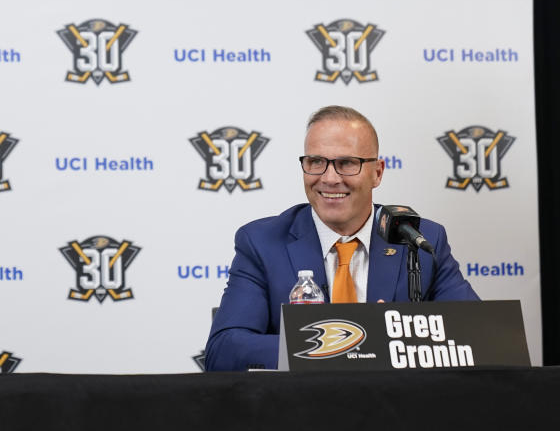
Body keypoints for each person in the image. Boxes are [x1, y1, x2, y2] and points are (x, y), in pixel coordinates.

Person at [205, 105, 478, 371]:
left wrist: (397, 340)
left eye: (347, 163)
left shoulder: (419, 240)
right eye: (316, 162)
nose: (330, 178)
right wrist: (341, 344)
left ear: (378, 172)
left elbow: (476, 336)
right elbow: (225, 350)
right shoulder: (262, 243)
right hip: (299, 411)